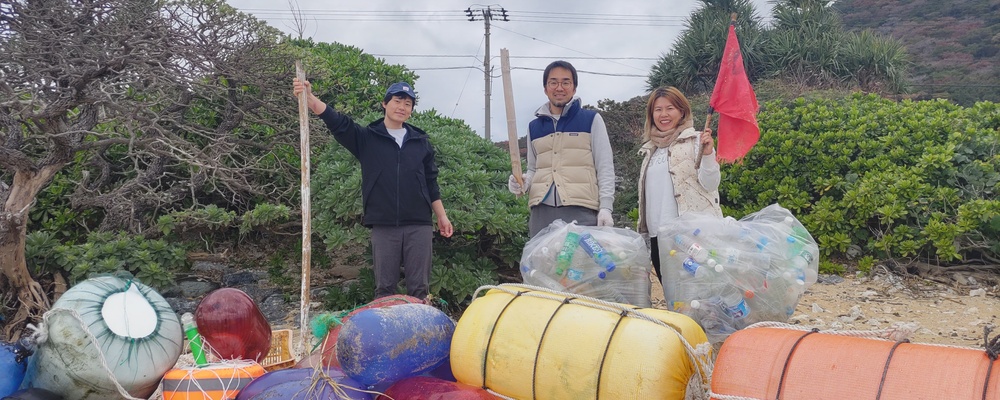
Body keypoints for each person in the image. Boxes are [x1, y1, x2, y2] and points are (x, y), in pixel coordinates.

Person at [292, 78, 453, 300]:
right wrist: (311, 100)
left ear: (412, 110)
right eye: (397, 101)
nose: (402, 107)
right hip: (384, 225)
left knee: (419, 289)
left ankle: (421, 334)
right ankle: (385, 333)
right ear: (385, 104)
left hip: (419, 225)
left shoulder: (421, 142)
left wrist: (442, 217)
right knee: (385, 289)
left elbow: (431, 183)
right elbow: (340, 124)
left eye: (408, 104)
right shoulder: (367, 138)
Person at [507, 60, 615, 237]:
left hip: (581, 209)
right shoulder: (534, 127)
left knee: (580, 264)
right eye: (553, 82)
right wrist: (522, 182)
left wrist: (605, 207)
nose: (559, 87)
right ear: (545, 88)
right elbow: (533, 168)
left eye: (566, 82)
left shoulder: (591, 120)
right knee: (542, 264)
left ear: (574, 88)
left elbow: (605, 167)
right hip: (541, 212)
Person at [637, 86, 723, 283]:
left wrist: (708, 154)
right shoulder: (650, 150)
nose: (664, 114)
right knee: (672, 297)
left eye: (670, 108)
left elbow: (710, 184)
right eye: (658, 109)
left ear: (682, 111)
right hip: (658, 237)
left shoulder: (696, 141)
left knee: (699, 294)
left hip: (690, 235)